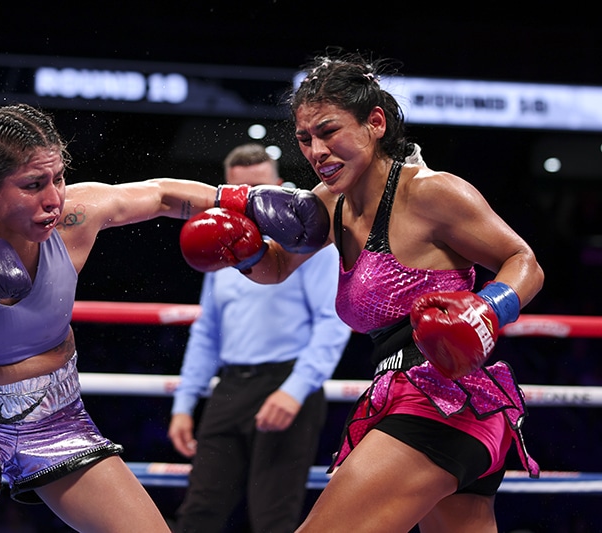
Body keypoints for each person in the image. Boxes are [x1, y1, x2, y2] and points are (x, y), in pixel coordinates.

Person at [178, 50, 544, 532]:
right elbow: (277, 267)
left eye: (329, 131)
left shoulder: (432, 193)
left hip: (443, 400)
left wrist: (486, 309)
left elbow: (524, 263)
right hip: (410, 396)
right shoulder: (330, 203)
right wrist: (242, 251)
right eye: (305, 138)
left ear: (375, 122)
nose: (316, 151)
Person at [0, 103, 225, 533]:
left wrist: (243, 200)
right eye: (33, 184)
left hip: (55, 413)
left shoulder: (76, 218)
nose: (54, 199)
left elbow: (161, 195)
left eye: (59, 178)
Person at [168, 144, 351, 533]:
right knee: (199, 512)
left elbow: (333, 320)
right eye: (240, 195)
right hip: (231, 387)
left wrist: (295, 389)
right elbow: (207, 331)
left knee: (273, 518)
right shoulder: (224, 242)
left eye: (259, 193)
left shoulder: (309, 239)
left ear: (279, 189)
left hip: (286, 382)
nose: (250, 205)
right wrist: (184, 403)